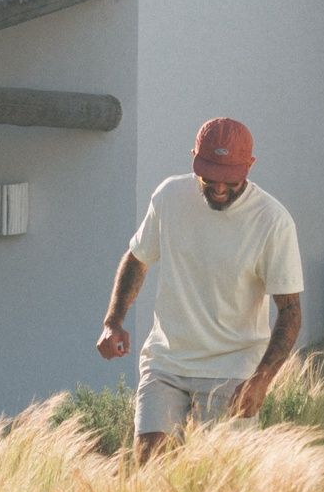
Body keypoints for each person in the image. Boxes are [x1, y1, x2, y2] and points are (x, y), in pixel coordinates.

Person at [96, 117, 303, 462]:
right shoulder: (169, 197)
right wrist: (113, 321)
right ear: (194, 160)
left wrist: (261, 380)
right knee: (148, 466)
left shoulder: (272, 221)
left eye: (230, 181)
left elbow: (290, 311)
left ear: (249, 167)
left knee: (218, 483)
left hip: (233, 370)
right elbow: (137, 258)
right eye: (210, 179)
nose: (219, 188)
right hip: (167, 360)